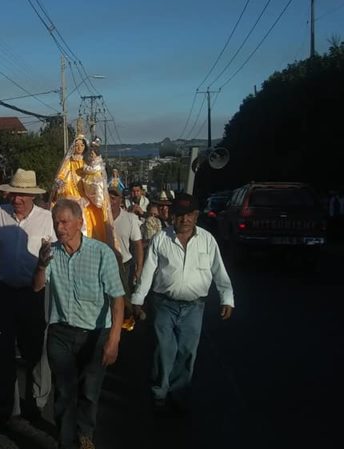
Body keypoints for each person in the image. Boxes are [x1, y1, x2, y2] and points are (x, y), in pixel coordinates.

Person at [33, 199, 124, 449]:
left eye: (64, 221)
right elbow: (37, 287)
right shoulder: (51, 253)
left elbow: (117, 298)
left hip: (96, 334)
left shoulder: (101, 253)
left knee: (89, 390)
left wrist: (114, 339)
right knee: (64, 390)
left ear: (79, 223)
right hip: (61, 331)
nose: (59, 228)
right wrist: (40, 265)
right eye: (56, 222)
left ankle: (85, 432)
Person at [132, 193, 235, 413]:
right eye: (180, 215)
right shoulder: (161, 238)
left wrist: (227, 298)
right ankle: (159, 391)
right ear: (173, 216)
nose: (184, 220)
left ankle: (178, 393)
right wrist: (138, 299)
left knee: (187, 351)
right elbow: (148, 272)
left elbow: (219, 271)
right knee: (164, 349)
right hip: (164, 304)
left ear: (196, 216)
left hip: (194, 307)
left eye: (189, 215)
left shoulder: (207, 240)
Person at [0, 168, 55, 426]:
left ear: (32, 196)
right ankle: (8, 406)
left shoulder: (47, 218)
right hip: (4, 291)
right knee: (4, 349)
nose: (16, 199)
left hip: (36, 294)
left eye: (22, 194)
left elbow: (58, 258)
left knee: (37, 351)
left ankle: (37, 404)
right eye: (13, 193)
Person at [53, 135, 111, 241]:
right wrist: (61, 185)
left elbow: (95, 177)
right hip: (71, 195)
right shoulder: (68, 163)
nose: (79, 147)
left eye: (82, 145)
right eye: (77, 145)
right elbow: (61, 177)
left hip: (86, 199)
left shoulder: (87, 163)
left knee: (92, 225)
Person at [108, 186, 144, 328]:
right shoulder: (98, 217)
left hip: (124, 265)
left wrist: (139, 267)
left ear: (120, 200)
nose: (111, 201)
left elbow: (138, 245)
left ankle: (127, 320)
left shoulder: (130, 218)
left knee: (124, 296)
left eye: (114, 197)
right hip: (106, 265)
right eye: (108, 197)